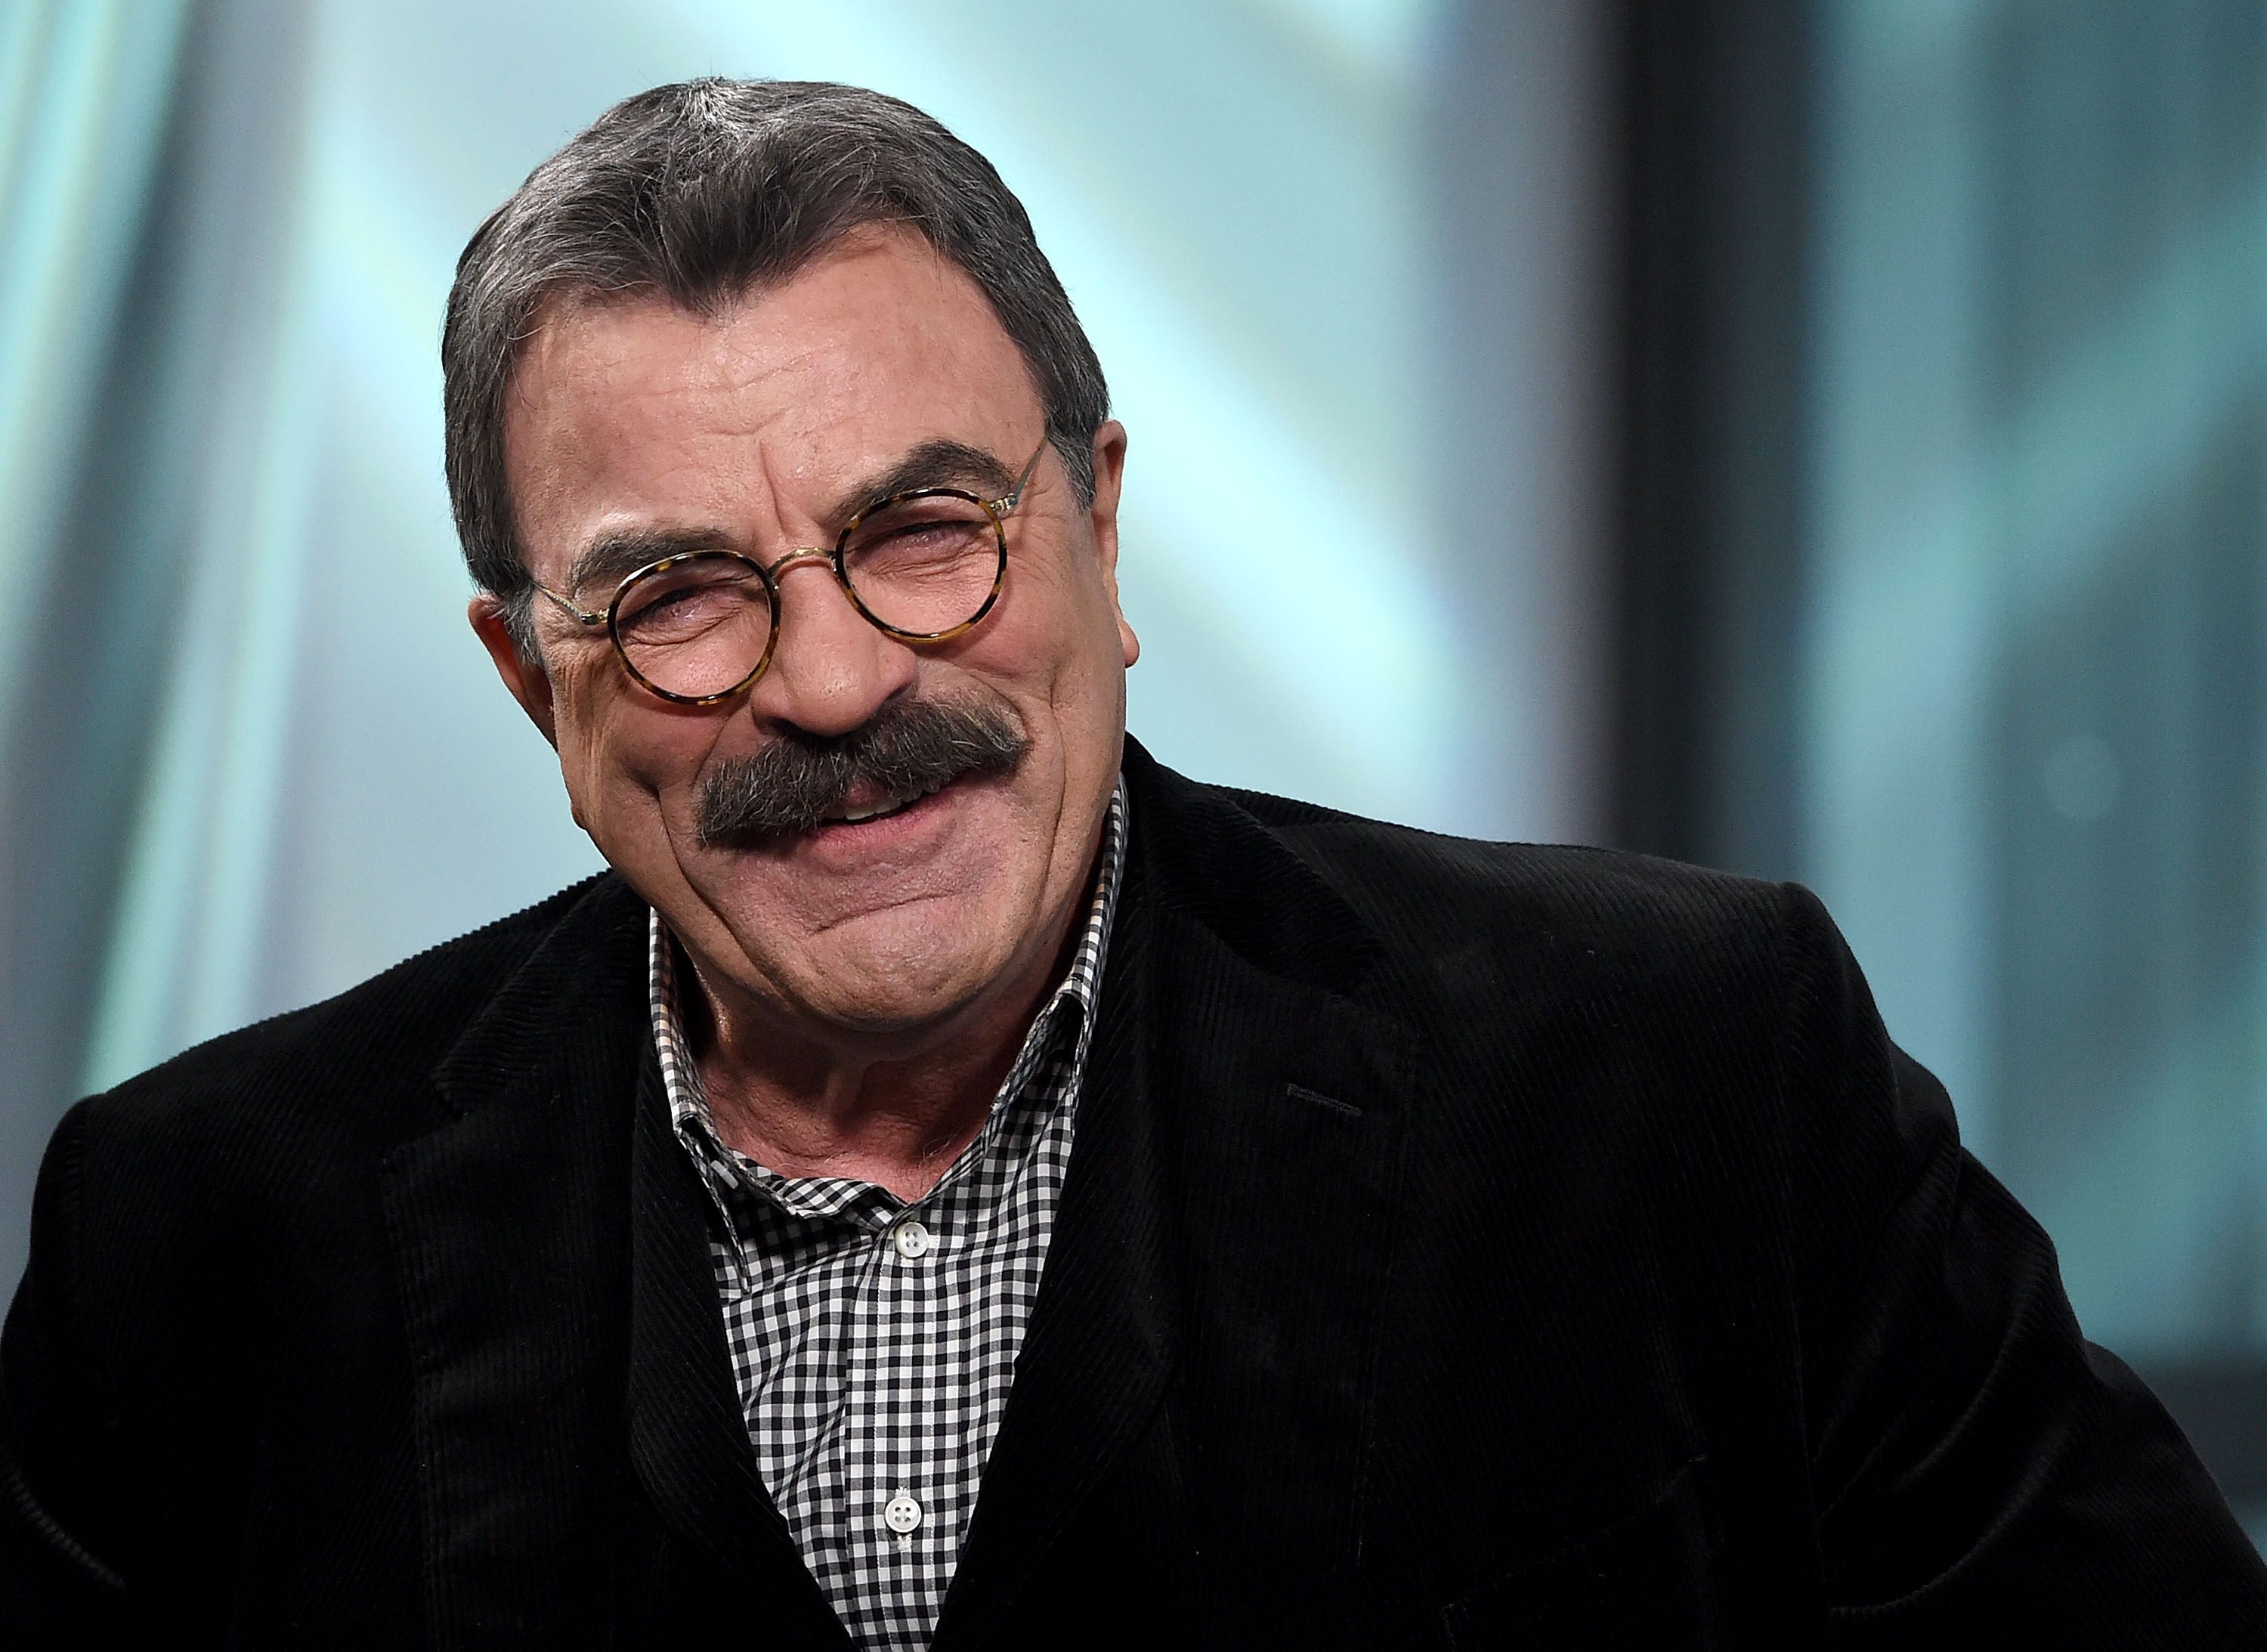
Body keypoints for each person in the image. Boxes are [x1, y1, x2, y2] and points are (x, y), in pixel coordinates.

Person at [3, 76, 2262, 1650]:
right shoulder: (196, 1245)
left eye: (924, 534)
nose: (828, 682)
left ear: (1099, 524)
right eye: (680, 591)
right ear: (534, 688)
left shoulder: (1685, 1080)